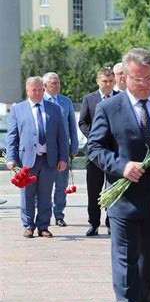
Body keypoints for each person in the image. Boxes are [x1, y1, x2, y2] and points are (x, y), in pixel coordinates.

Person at [88, 48, 150, 302]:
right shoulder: (109, 108)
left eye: (149, 79)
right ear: (126, 78)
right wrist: (122, 166)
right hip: (123, 200)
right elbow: (94, 149)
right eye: (139, 80)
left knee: (146, 268)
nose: (145, 85)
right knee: (126, 265)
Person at [6, 77, 68, 238]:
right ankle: (28, 225)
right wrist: (11, 158)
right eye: (34, 90)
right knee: (27, 194)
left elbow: (62, 136)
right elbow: (12, 136)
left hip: (49, 159)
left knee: (46, 194)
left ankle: (43, 226)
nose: (38, 93)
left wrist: (63, 158)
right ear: (27, 90)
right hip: (26, 160)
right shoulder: (18, 109)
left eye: (41, 89)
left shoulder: (54, 109)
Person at [78, 68, 118, 236]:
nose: (107, 84)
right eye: (104, 81)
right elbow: (83, 122)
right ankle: (94, 223)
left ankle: (111, 223)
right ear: (98, 81)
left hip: (115, 152)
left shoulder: (121, 98)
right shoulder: (89, 99)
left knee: (113, 188)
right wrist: (94, 138)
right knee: (94, 189)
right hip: (94, 152)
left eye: (110, 81)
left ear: (114, 81)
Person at [43, 72, 79, 227]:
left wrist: (74, 147)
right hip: (44, 150)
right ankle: (44, 214)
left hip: (63, 149)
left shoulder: (66, 102)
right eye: (53, 83)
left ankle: (59, 215)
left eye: (58, 83)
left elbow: (72, 125)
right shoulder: (39, 101)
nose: (57, 85)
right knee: (43, 185)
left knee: (61, 185)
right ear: (45, 86)